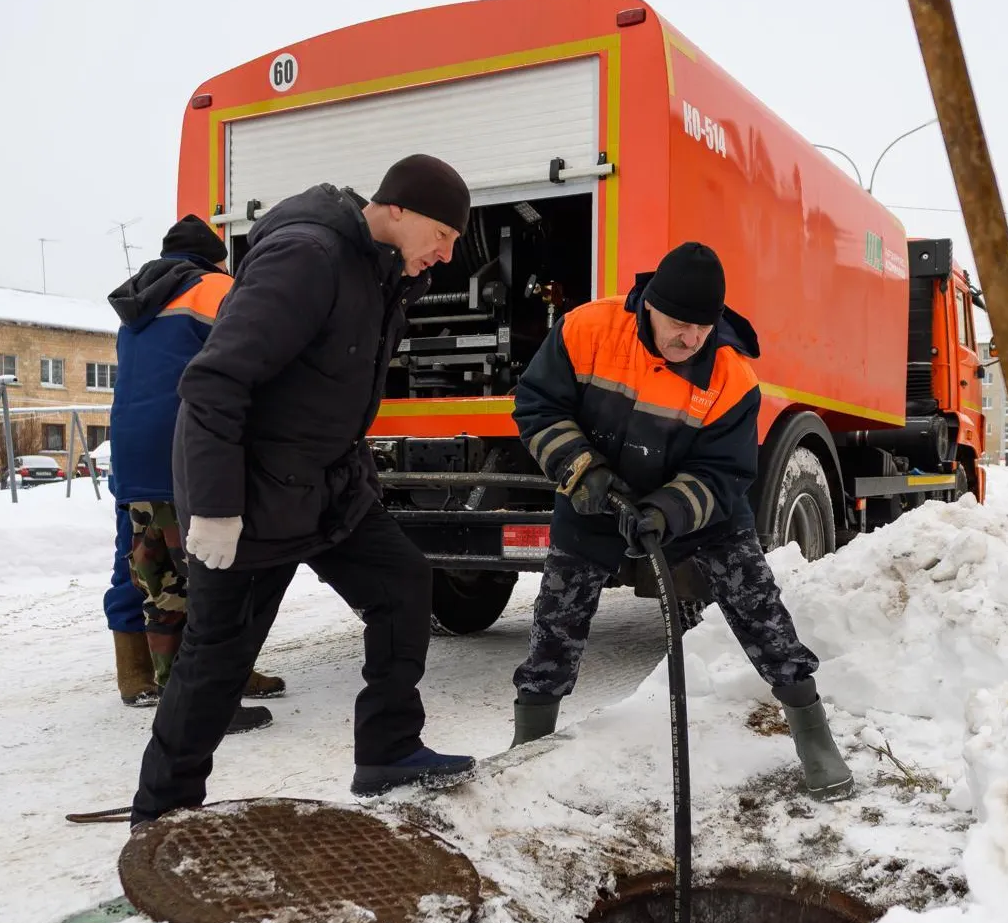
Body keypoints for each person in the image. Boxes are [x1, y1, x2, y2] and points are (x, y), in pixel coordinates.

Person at [131, 155, 479, 825]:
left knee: (402, 581)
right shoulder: (308, 256)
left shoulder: (380, 277)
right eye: (443, 234)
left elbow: (328, 395)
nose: (446, 253)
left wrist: (357, 478)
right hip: (251, 497)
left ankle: (387, 750)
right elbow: (214, 384)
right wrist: (215, 511)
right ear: (397, 210)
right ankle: (161, 816)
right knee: (217, 659)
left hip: (324, 489)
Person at [508, 241, 855, 800]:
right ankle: (527, 746)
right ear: (649, 304)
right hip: (598, 496)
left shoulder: (732, 375)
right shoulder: (587, 330)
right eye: (679, 323)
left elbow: (723, 471)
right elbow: (537, 405)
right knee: (558, 617)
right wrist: (584, 471)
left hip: (699, 512)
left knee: (759, 608)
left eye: (703, 327)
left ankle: (812, 733)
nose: (691, 339)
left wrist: (667, 511)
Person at [104, 216, 285, 734]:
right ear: (216, 258)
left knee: (143, 563)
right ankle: (212, 683)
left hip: (132, 448)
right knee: (213, 572)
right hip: (184, 445)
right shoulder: (216, 288)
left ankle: (136, 673)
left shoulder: (138, 299)